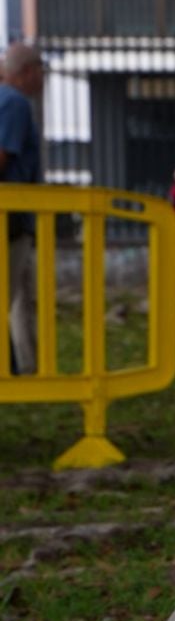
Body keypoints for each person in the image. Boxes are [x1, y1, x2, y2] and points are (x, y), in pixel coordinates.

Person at [0, 42, 44, 374]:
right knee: (10, 294)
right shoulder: (15, 103)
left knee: (21, 299)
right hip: (12, 216)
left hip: (17, 217)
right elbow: (4, 156)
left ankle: (28, 370)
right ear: (27, 71)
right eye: (41, 70)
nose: (43, 78)